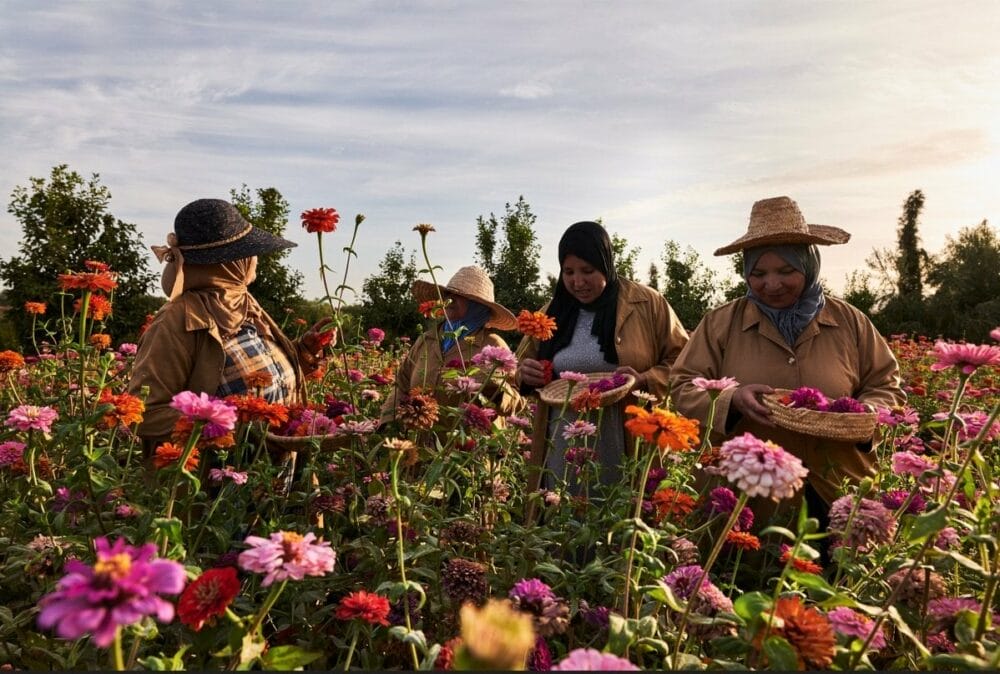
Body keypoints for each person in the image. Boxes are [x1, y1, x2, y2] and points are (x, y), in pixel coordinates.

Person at [670, 196, 904, 528]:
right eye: (759, 273)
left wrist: (866, 415)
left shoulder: (849, 321)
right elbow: (682, 385)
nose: (772, 284)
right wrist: (731, 400)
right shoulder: (720, 323)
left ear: (808, 267)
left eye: (786, 271)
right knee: (755, 559)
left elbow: (885, 384)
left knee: (839, 557)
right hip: (750, 492)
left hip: (838, 483)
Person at [128, 198, 336, 457]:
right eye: (249, 252)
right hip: (217, 477)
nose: (255, 259)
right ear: (231, 262)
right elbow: (145, 413)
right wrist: (228, 426)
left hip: (272, 473)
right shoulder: (174, 321)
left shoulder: (244, 304)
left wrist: (304, 351)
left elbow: (252, 379)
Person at [516, 221, 689, 493]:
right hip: (562, 442)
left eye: (588, 271)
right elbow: (517, 367)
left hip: (623, 437)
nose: (578, 282)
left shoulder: (647, 303)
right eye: (568, 272)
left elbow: (685, 362)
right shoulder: (551, 312)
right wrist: (524, 374)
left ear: (606, 264)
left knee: (622, 506)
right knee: (562, 508)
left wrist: (645, 380)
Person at [380, 265, 522, 427]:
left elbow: (518, 398)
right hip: (419, 437)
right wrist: (388, 423)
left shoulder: (493, 346)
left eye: (460, 296)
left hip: (469, 439)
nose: (451, 299)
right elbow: (401, 384)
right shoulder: (426, 340)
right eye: (448, 294)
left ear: (478, 305)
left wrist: (496, 393)